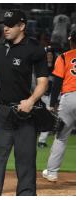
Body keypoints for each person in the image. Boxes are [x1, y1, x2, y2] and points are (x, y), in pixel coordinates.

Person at [0, 9, 48, 196]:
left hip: (26, 114)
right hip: (2, 112)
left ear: (22, 26)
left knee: (25, 160)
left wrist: (31, 101)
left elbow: (43, 82)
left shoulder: (34, 48)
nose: (6, 28)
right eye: (4, 24)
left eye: (10, 24)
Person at [42, 30, 76, 182]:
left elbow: (56, 83)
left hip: (69, 99)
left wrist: (51, 104)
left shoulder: (64, 56)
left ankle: (52, 172)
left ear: (71, 41)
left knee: (61, 137)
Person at [38, 45, 56, 148]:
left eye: (51, 54)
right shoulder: (39, 66)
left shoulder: (56, 67)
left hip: (50, 97)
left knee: (48, 118)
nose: (49, 56)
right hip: (39, 95)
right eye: (48, 54)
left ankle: (42, 141)